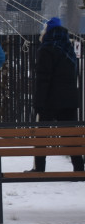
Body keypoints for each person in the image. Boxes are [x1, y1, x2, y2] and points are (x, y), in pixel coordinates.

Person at [32, 18, 84, 171]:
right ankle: (79, 168)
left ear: (48, 32)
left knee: (42, 135)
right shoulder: (68, 49)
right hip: (69, 100)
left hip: (49, 100)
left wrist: (38, 103)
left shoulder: (46, 49)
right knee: (71, 135)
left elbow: (43, 79)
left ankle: (39, 168)